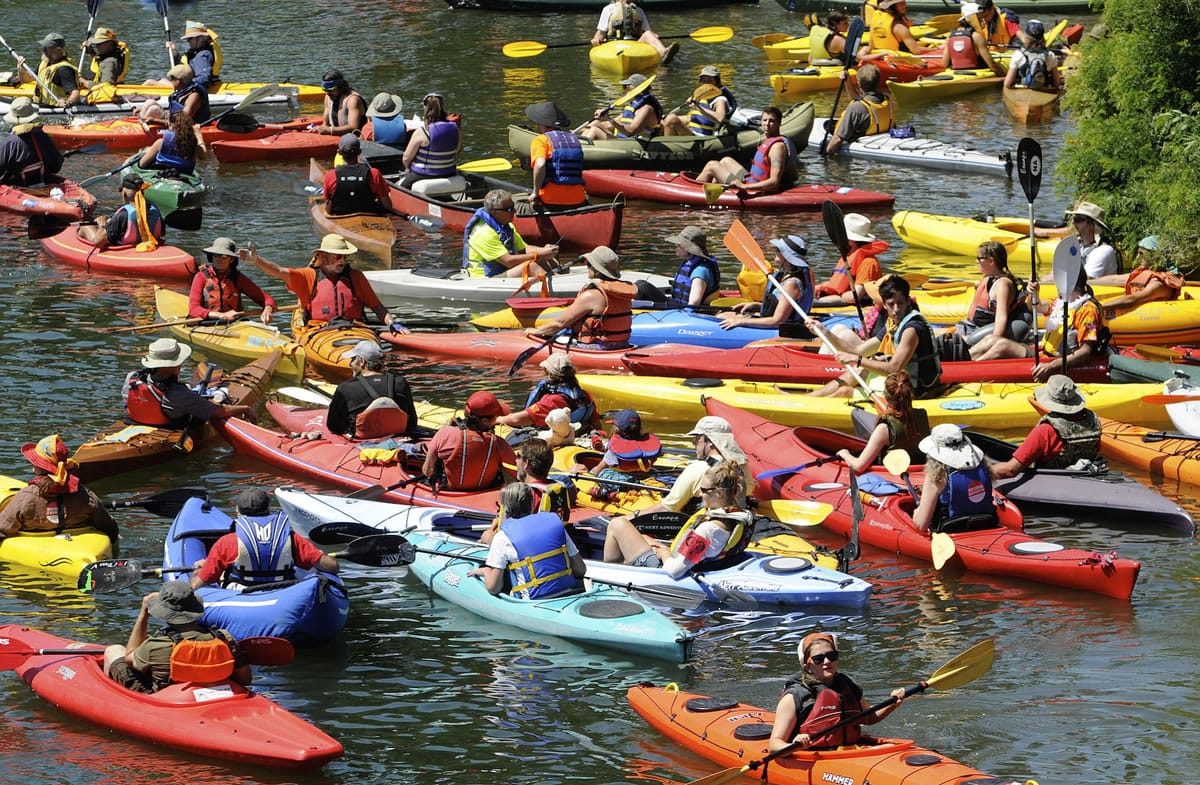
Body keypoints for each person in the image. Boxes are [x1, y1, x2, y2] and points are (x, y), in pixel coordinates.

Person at [602, 461, 752, 575]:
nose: (700, 494)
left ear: (719, 493)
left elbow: (674, 571)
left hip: (663, 572)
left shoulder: (707, 530)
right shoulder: (738, 515)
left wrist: (665, 553)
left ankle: (610, 573)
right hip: (688, 560)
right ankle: (619, 563)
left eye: (704, 490)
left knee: (618, 524)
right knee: (640, 535)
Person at [768, 632, 907, 752]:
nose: (827, 661)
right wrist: (796, 745)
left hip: (851, 750)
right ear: (808, 666)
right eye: (818, 659)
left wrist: (893, 703)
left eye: (831, 655)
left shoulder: (848, 685)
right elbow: (775, 744)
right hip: (814, 755)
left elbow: (869, 718)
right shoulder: (795, 696)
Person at [103, 582, 251, 694]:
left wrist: (143, 614)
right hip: (215, 695)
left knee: (114, 650)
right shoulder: (225, 638)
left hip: (166, 700)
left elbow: (129, 658)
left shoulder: (156, 645)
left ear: (163, 612)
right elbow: (245, 680)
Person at [810, 275, 941, 398]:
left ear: (907, 301)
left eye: (900, 303)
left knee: (845, 391)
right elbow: (859, 350)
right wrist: (824, 331)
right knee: (860, 369)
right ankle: (811, 398)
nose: (896, 309)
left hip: (917, 389)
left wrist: (857, 359)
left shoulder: (911, 329)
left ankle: (810, 404)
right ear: (884, 305)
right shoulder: (893, 323)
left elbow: (894, 368)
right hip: (902, 381)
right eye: (891, 304)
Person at [189, 489, 339, 590]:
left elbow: (199, 583)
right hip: (283, 593)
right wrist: (321, 555)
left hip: (241, 596)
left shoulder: (227, 542)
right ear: (269, 509)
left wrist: (201, 569)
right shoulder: (292, 538)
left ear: (238, 511)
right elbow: (332, 567)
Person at [973, 266, 1105, 382]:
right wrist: (1034, 293)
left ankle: (969, 370)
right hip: (1043, 353)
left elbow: (1085, 351)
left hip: (1053, 361)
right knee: (992, 340)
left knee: (1002, 346)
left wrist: (1051, 366)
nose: (1056, 284)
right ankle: (963, 358)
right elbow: (1035, 307)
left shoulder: (1088, 311)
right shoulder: (1061, 302)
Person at [614, 415, 750, 527]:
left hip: (704, 527)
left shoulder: (698, 468)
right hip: (735, 526)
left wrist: (628, 518)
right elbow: (750, 489)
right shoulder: (741, 465)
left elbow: (668, 508)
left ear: (710, 442)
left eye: (697, 439)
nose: (694, 444)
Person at [247, 233, 401, 330]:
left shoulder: (356, 277)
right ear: (323, 257)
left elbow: (377, 306)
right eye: (338, 257)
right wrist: (256, 260)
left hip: (356, 330)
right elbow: (279, 271)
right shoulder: (308, 276)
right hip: (320, 332)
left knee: (371, 354)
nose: (343, 261)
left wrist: (391, 322)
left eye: (345, 256)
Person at [467, 483, 585, 599]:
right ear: (532, 503)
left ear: (505, 509)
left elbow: (493, 588)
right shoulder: (555, 524)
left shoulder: (502, 537)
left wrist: (487, 571)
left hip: (533, 600)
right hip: (568, 592)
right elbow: (580, 570)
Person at [0, 434, 119, 544]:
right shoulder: (84, 495)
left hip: (37, 550)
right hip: (77, 545)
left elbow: (2, 529)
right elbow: (110, 528)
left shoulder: (25, 497)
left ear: (37, 468)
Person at [122, 337, 257, 427]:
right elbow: (220, 412)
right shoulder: (178, 393)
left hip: (135, 421)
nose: (180, 366)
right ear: (173, 365)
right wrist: (246, 408)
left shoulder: (132, 377)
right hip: (167, 428)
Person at [524, 246, 636, 349]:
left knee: (550, 337)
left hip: (597, 348)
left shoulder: (591, 295)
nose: (587, 267)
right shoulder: (620, 292)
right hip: (622, 345)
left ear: (597, 270)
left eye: (589, 265)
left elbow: (560, 323)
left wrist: (537, 331)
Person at [993, 375, 1101, 478]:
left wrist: (982, 471)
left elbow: (1011, 470)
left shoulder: (1045, 430)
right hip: (1085, 478)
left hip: (1052, 483)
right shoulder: (1093, 420)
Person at [422, 391, 517, 491]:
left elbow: (427, 471)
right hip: (484, 494)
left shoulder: (444, 433)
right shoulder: (499, 444)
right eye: (496, 417)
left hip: (449, 492)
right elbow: (519, 473)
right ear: (485, 421)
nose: (497, 419)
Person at [836, 371, 930, 472]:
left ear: (885, 396)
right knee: (858, 413)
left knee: (857, 412)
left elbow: (859, 466)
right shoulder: (922, 415)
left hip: (895, 473)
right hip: (918, 468)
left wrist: (844, 454)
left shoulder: (884, 429)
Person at [325, 340, 420, 439]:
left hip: (361, 442)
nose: (351, 364)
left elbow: (333, 426)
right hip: (398, 438)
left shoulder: (345, 388)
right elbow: (412, 422)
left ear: (362, 361)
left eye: (353, 359)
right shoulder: (401, 383)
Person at [912, 423, 996, 532]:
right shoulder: (982, 465)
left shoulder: (937, 474)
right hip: (986, 525)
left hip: (950, 533)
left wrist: (916, 512)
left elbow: (921, 524)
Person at [717, 235, 814, 330]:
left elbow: (777, 321)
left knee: (721, 317)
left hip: (781, 329)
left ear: (786, 256)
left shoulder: (791, 284)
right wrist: (757, 305)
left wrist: (740, 321)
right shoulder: (786, 275)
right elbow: (781, 307)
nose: (774, 251)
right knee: (722, 315)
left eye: (777, 249)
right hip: (773, 320)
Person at [694, 107, 798, 194]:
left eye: (772, 121)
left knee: (712, 165)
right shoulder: (773, 140)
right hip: (751, 180)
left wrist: (744, 187)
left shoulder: (777, 148)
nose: (767, 124)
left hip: (754, 188)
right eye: (765, 120)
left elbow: (774, 182)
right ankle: (715, 190)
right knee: (725, 160)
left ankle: (692, 191)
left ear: (779, 123)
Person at [956, 240, 1032, 356]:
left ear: (991, 261)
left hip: (975, 332)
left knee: (933, 338)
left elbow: (1001, 319)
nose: (976, 261)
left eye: (979, 258)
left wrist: (991, 344)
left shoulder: (1002, 285)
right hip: (968, 327)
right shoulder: (989, 279)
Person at [462, 189, 559, 278]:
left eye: (513, 207)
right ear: (495, 212)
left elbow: (524, 249)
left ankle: (560, 279)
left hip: (504, 270)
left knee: (549, 259)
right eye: (509, 209)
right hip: (486, 278)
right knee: (532, 266)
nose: (514, 211)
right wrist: (540, 255)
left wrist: (546, 250)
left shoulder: (506, 226)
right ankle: (556, 288)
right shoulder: (483, 232)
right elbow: (508, 261)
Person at [497, 353, 601, 433]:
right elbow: (596, 424)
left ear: (548, 373)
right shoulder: (584, 396)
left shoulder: (552, 401)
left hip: (556, 440)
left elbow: (517, 420)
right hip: (577, 433)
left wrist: (496, 419)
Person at [187, 237, 276, 323]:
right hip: (207, 323)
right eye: (216, 255)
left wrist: (268, 308)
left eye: (224, 256)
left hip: (234, 323)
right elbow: (194, 309)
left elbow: (266, 298)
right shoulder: (200, 277)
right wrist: (220, 315)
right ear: (211, 257)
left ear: (232, 259)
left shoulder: (237, 278)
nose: (219, 259)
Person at [524, 101, 588, 212]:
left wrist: (535, 192)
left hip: (550, 201)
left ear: (541, 124)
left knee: (520, 207)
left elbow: (540, 164)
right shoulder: (574, 139)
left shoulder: (541, 140)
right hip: (578, 199)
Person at [1091, 235, 1181, 313]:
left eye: (1141, 253)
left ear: (1155, 256)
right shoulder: (1147, 274)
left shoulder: (1159, 284)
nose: (1137, 257)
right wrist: (1085, 282)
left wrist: (1098, 308)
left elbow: (1132, 299)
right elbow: (1115, 279)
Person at [813, 214, 886, 306]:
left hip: (859, 303)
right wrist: (821, 287)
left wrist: (838, 296)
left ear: (850, 241)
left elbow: (855, 296)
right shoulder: (849, 256)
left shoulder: (868, 263)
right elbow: (838, 282)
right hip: (843, 297)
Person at [77, 174, 164, 250]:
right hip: (147, 243)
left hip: (124, 248)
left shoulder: (123, 215)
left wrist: (102, 226)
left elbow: (98, 242)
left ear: (124, 193)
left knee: (85, 226)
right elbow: (162, 233)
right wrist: (109, 221)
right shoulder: (154, 209)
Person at [582, 409, 663, 491]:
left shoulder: (614, 452)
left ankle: (621, 488)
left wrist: (589, 474)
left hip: (624, 480)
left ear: (616, 430)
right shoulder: (646, 449)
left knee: (603, 473)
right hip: (642, 476)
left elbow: (600, 468)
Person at [823, 64, 895, 155]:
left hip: (864, 150)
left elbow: (837, 140)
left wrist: (825, 153)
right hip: (885, 142)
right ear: (877, 82)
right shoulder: (887, 101)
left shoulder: (857, 107)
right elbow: (863, 102)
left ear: (859, 83)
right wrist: (847, 81)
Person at [579, 74, 664, 141]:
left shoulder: (646, 109)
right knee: (594, 124)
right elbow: (609, 125)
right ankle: (573, 143)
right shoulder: (632, 107)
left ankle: (576, 153)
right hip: (623, 140)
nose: (624, 90)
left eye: (626, 87)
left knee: (594, 130)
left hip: (634, 144)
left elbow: (630, 132)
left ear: (635, 89)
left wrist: (609, 119)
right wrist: (585, 128)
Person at [401, 93, 460, 189]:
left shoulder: (423, 131)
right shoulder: (455, 128)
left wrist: (408, 168)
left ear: (425, 108)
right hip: (449, 173)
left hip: (423, 175)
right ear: (442, 107)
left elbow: (406, 158)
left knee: (401, 187)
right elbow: (457, 151)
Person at [0, 97, 63, 186]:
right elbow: (56, 166)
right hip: (43, 184)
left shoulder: (8, 144)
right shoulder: (43, 136)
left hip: (18, 189)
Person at [661, 66, 739, 137]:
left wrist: (697, 107)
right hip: (693, 131)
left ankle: (669, 149)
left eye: (710, 80)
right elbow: (696, 117)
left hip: (703, 137)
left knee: (671, 119)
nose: (707, 83)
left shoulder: (720, 100)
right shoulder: (704, 96)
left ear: (717, 82)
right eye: (704, 80)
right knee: (665, 121)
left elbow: (720, 118)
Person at [323, 133, 389, 215]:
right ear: (359, 152)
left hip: (340, 218)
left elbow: (327, 209)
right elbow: (387, 205)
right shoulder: (374, 173)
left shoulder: (330, 176)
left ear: (339, 152)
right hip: (370, 216)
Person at [591, 0, 677, 62]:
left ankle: (664, 53)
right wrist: (596, 39)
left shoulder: (639, 10)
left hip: (636, 44)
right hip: (614, 44)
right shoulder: (609, 9)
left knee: (648, 34)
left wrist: (653, 36)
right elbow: (601, 32)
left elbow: (646, 31)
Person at [16, 32, 81, 108]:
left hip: (55, 109)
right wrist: (21, 69)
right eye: (43, 47)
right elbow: (26, 80)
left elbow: (76, 95)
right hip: (40, 105)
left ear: (58, 50)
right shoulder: (44, 63)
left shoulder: (64, 70)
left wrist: (67, 103)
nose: (43, 50)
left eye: (46, 48)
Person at [666, 225, 722, 307]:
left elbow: (694, 303)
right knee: (642, 286)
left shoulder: (700, 271)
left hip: (683, 311)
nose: (676, 246)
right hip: (677, 305)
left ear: (688, 248)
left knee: (643, 287)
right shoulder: (689, 262)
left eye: (679, 245)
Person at [1062, 201, 1118, 279]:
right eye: (1074, 218)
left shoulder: (1103, 250)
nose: (1073, 222)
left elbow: (1084, 280)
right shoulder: (1076, 245)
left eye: (1078, 219)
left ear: (1092, 224)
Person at [138, 111, 205, 174]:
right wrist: (198, 135)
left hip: (163, 175)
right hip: (184, 174)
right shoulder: (192, 145)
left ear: (170, 125)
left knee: (144, 151)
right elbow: (203, 156)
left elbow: (142, 164)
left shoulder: (160, 143)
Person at [865, 0, 937, 57]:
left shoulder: (876, 16)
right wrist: (937, 49)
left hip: (880, 57)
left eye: (904, 2)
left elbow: (871, 44)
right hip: (899, 61)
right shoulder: (900, 27)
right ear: (892, 6)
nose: (905, 5)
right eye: (901, 3)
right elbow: (917, 50)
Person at [1004, 20, 1061, 90]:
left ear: (1026, 36)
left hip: (1023, 90)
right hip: (1044, 90)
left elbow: (1007, 84)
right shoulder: (1050, 55)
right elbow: (1057, 84)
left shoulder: (1018, 55)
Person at [166, 21, 221, 92]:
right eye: (187, 39)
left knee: (150, 82)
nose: (188, 41)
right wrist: (174, 53)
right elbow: (185, 69)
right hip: (206, 84)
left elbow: (203, 79)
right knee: (158, 81)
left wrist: (185, 87)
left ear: (200, 38)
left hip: (198, 89)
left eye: (190, 38)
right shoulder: (198, 53)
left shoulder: (201, 56)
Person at [80, 26, 129, 104]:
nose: (96, 46)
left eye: (99, 44)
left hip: (105, 94)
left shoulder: (110, 63)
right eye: (95, 43)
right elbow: (97, 52)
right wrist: (88, 47)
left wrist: (83, 82)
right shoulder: (107, 51)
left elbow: (105, 87)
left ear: (110, 43)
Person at [962, 0, 1013, 76]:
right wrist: (1004, 77)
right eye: (980, 18)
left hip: (956, 68)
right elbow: (992, 65)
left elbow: (945, 63)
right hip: (975, 68)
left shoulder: (953, 35)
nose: (983, 20)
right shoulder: (977, 37)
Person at [316, 68, 367, 136]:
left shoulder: (353, 100)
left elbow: (353, 126)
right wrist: (322, 128)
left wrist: (329, 130)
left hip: (354, 139)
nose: (328, 93)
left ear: (340, 87)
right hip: (334, 135)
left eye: (331, 90)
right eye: (325, 90)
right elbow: (325, 123)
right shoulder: (328, 97)